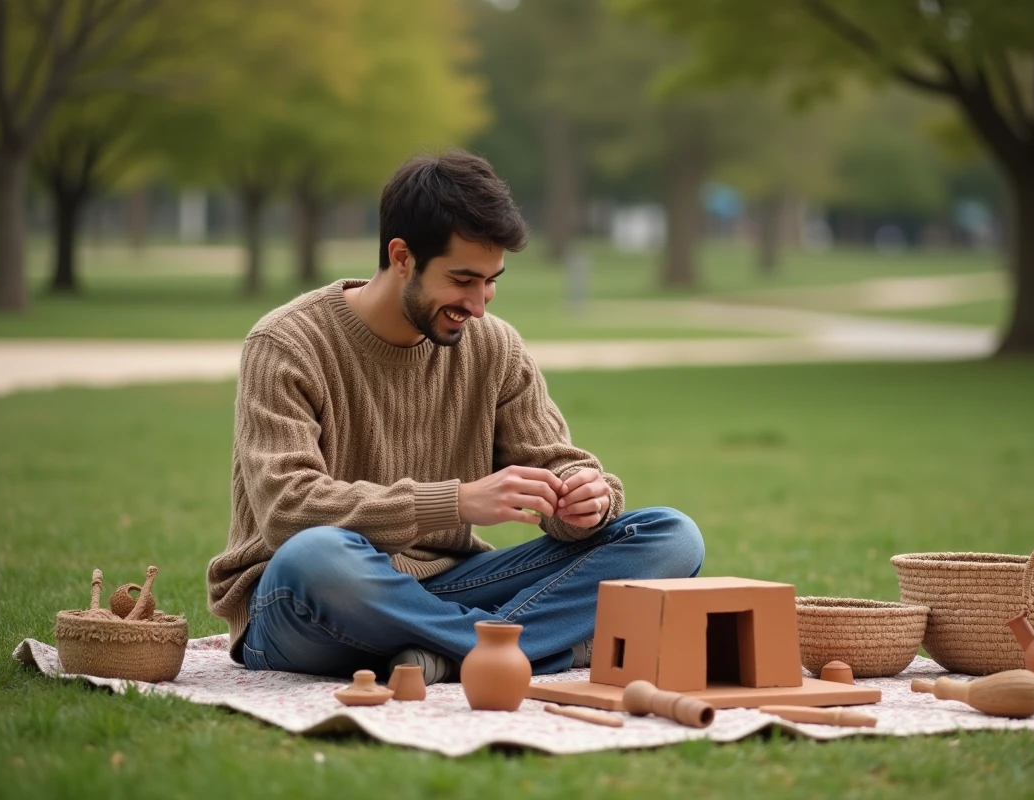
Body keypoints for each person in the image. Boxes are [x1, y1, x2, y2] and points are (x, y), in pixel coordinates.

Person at [206, 149, 704, 684]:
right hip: (309, 599)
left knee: (672, 537)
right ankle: (534, 646)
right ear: (402, 257)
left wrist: (585, 499)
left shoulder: (495, 347)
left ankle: (446, 652)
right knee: (317, 555)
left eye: (491, 281)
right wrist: (458, 501)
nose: (480, 305)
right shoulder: (286, 343)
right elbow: (287, 509)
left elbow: (557, 466)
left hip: (447, 587)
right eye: (463, 279)